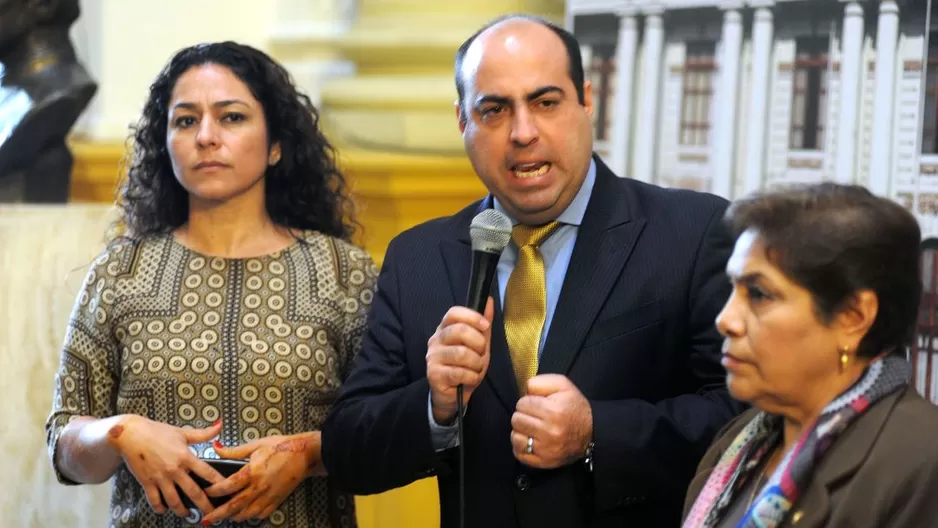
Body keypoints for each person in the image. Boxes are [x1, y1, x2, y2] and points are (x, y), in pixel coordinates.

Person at [321, 14, 742, 528]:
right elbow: (348, 452)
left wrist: (597, 432)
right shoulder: (418, 259)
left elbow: (743, 420)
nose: (523, 133)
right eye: (494, 110)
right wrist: (434, 404)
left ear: (587, 101)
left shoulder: (692, 232)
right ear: (462, 122)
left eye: (546, 103)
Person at [44, 41, 377, 528]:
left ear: (276, 144)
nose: (205, 136)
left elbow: (387, 431)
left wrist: (306, 452)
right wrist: (121, 432)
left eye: (231, 117)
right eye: (185, 120)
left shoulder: (344, 273)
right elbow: (64, 445)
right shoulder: (121, 274)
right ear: (166, 143)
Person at [682, 183, 938, 528]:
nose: (725, 320)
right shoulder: (738, 439)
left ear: (854, 316)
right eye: (733, 289)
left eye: (758, 294)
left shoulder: (922, 460)